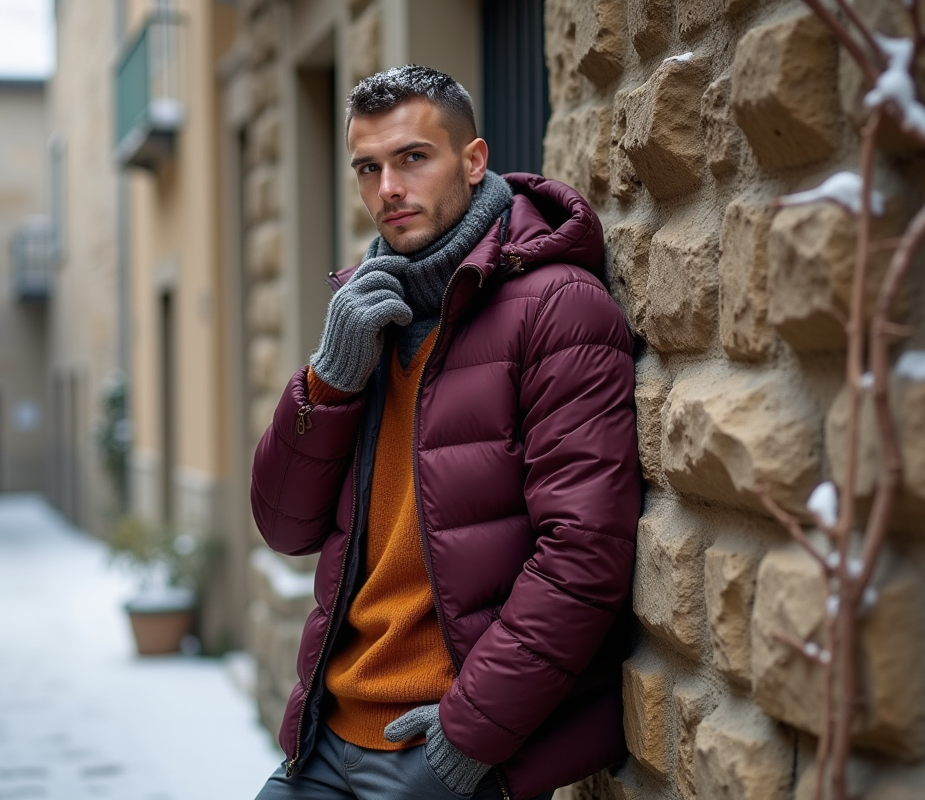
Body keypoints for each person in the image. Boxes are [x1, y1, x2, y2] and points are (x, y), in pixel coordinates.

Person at [251, 65, 641, 800]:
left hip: (437, 748)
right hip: (328, 732)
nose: (388, 189)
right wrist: (328, 382)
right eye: (368, 168)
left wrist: (468, 739)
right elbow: (284, 526)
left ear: (473, 160)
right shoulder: (368, 315)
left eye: (412, 158)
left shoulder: (557, 309)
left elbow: (584, 553)